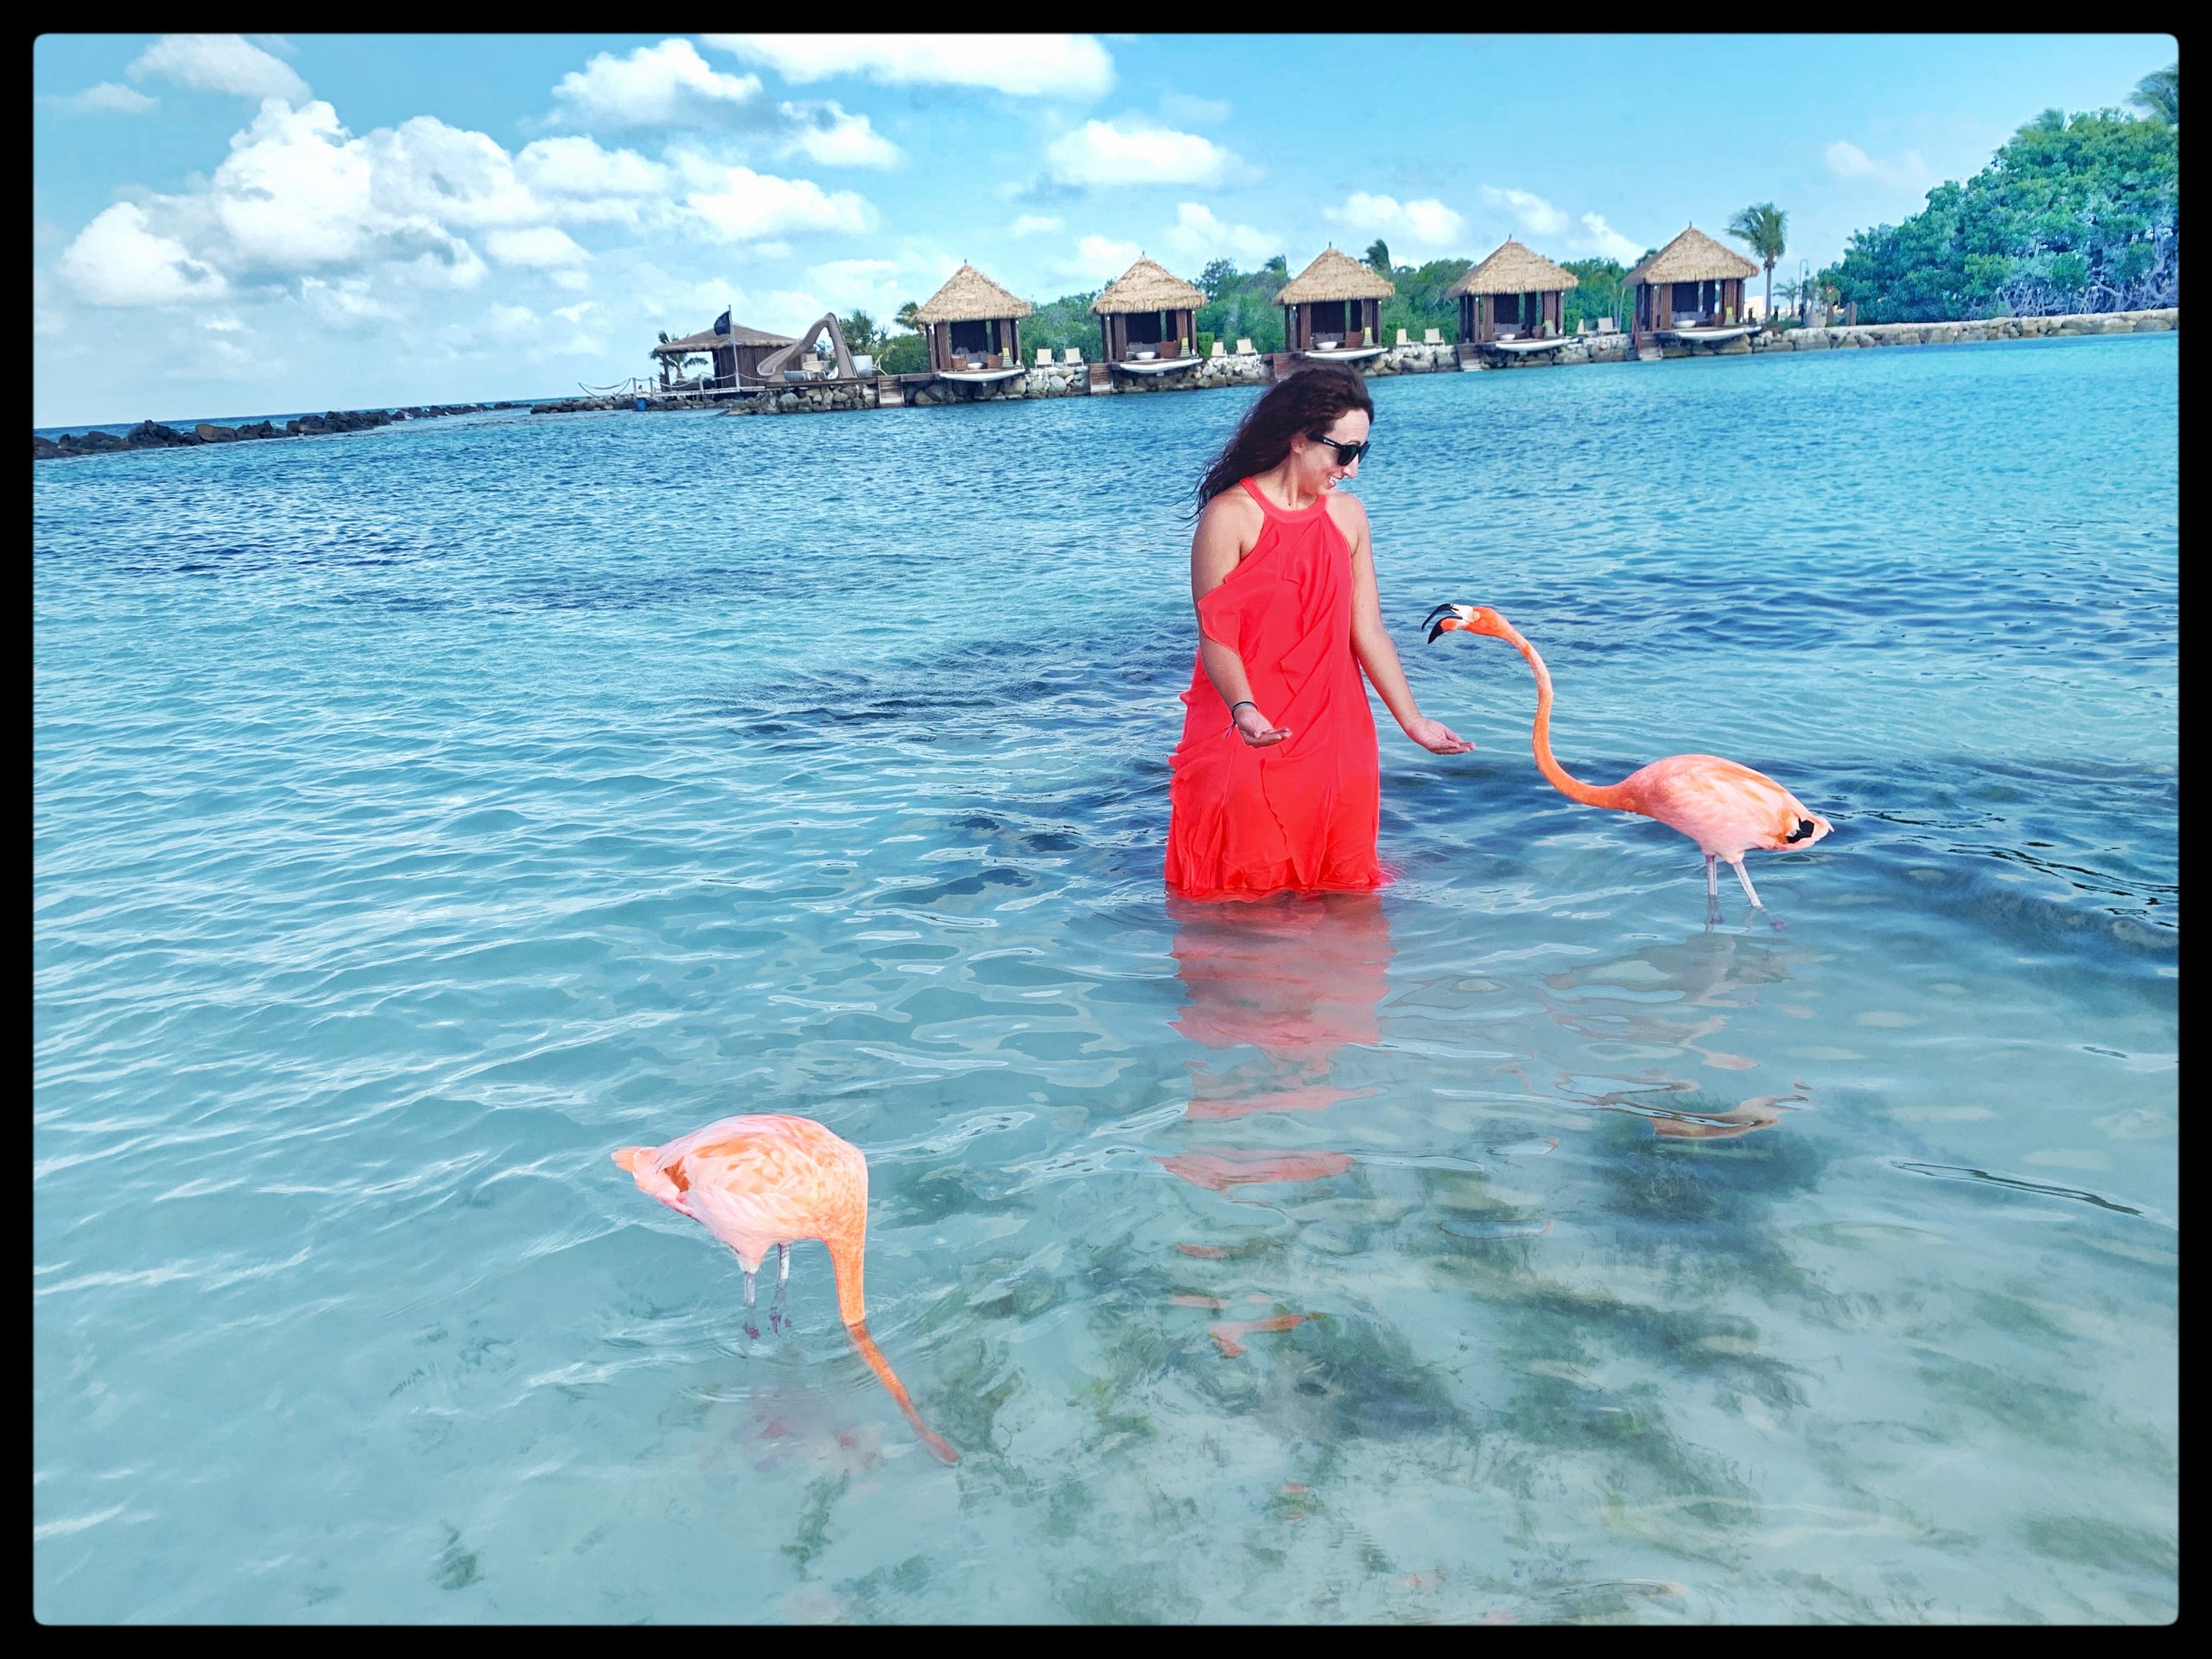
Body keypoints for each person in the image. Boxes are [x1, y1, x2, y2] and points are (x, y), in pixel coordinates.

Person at [1164, 366, 1471, 900]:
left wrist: (1413, 721)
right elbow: (1218, 638)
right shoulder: (1230, 516)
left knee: (1349, 897)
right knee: (1238, 902)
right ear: (1299, 438)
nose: (1352, 471)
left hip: (1337, 732)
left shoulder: (1348, 518)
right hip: (1249, 728)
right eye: (1344, 453)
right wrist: (1244, 709)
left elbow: (1367, 629)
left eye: (1362, 453)